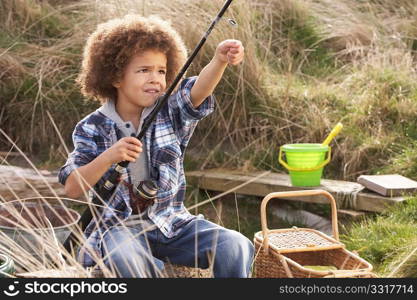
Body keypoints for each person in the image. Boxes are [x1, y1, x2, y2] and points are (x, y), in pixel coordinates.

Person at [58, 14, 254, 278]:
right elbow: (72, 187)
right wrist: (109, 156)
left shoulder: (168, 109)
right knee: (125, 257)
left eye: (161, 71)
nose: (155, 79)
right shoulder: (91, 127)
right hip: (119, 229)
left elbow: (197, 90)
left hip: (172, 223)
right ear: (115, 77)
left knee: (236, 245)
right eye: (144, 70)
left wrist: (219, 60)